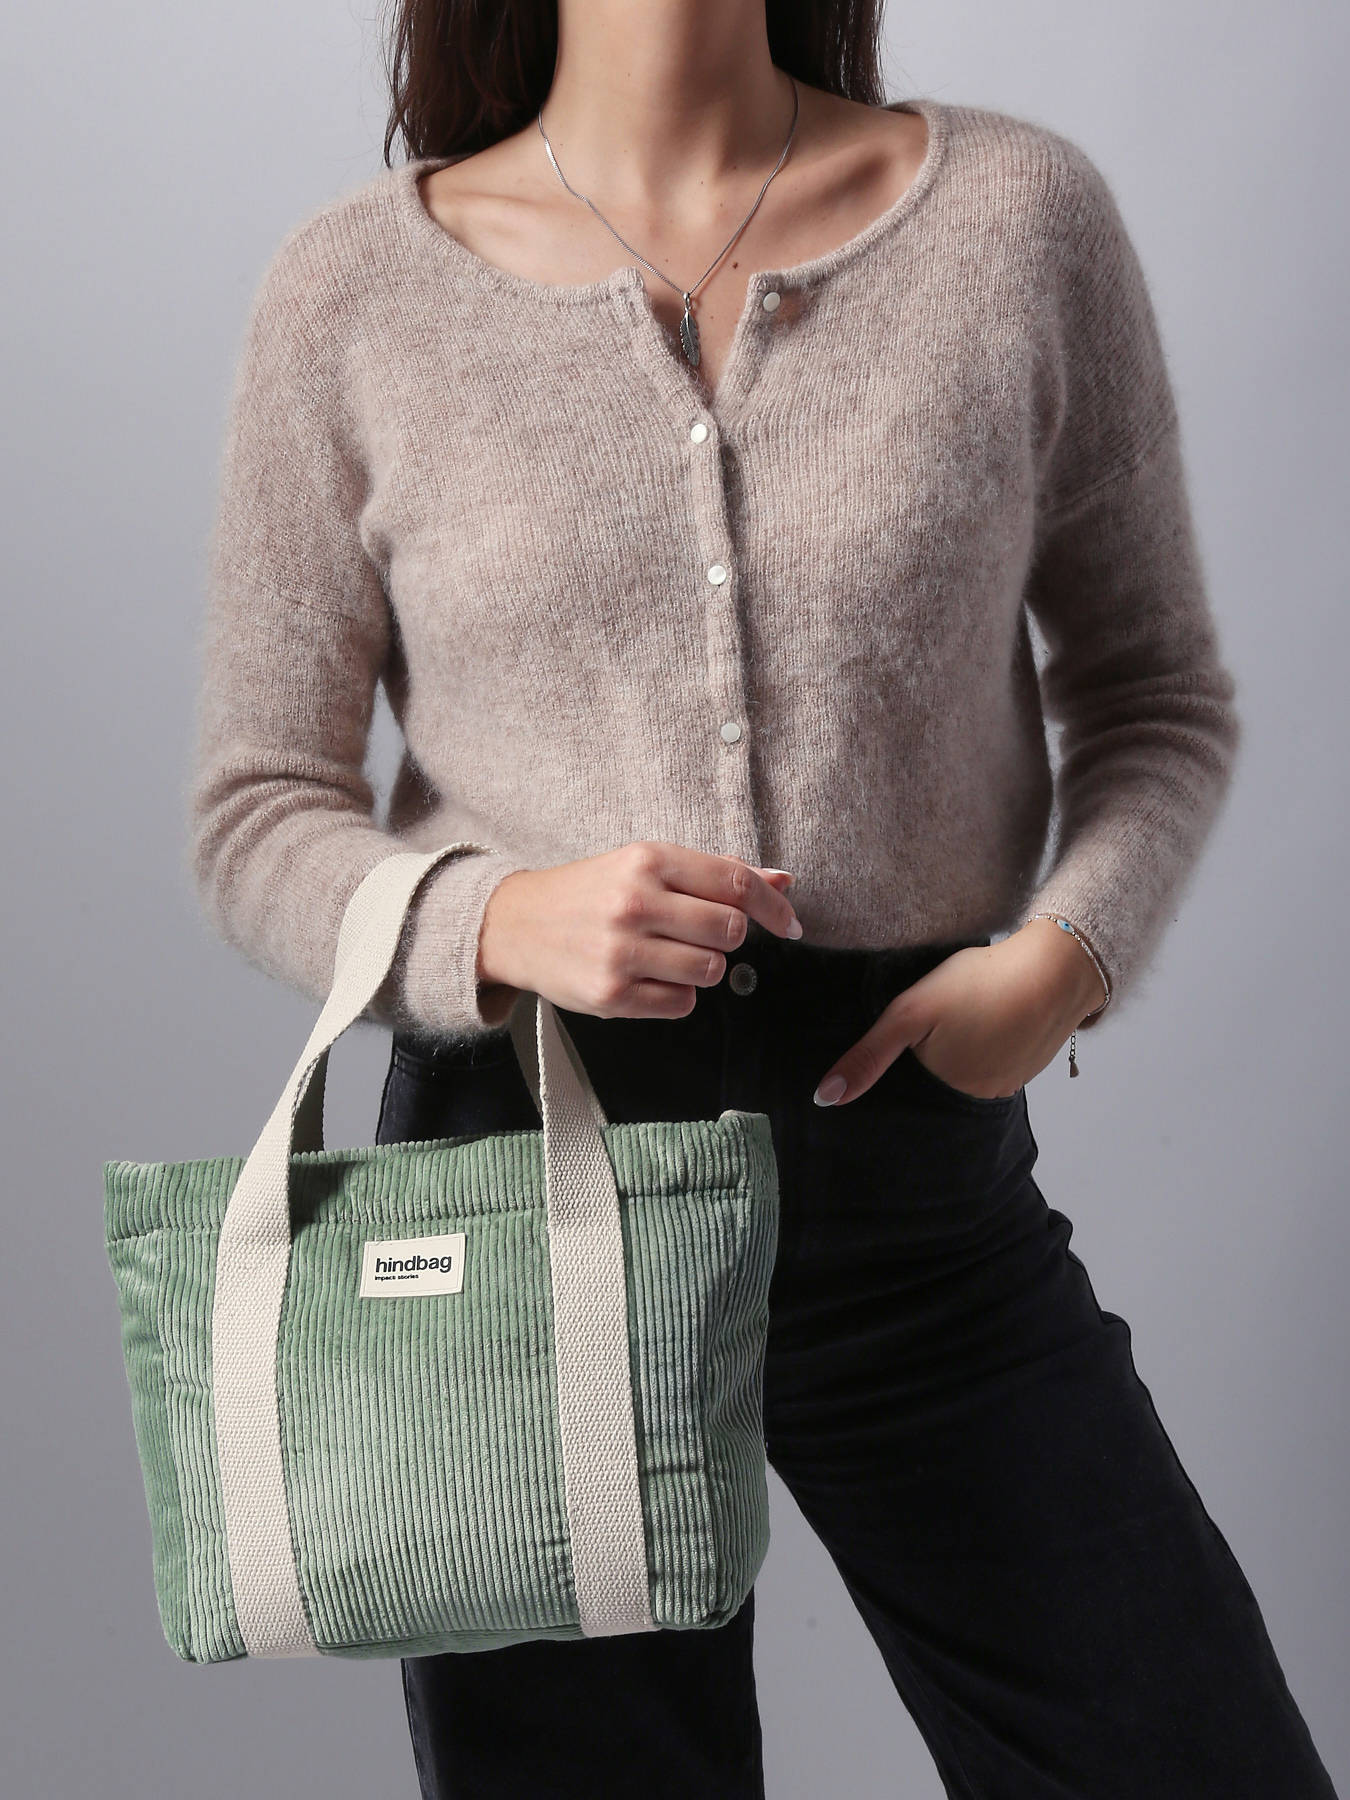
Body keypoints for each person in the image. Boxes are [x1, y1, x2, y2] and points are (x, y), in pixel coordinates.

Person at [186, 2, 1340, 1796]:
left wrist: (1061, 961)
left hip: (909, 1180)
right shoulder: (352, 290)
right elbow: (256, 808)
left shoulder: (1014, 220)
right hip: (522, 1197)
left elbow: (1157, 701)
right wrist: (489, 923)